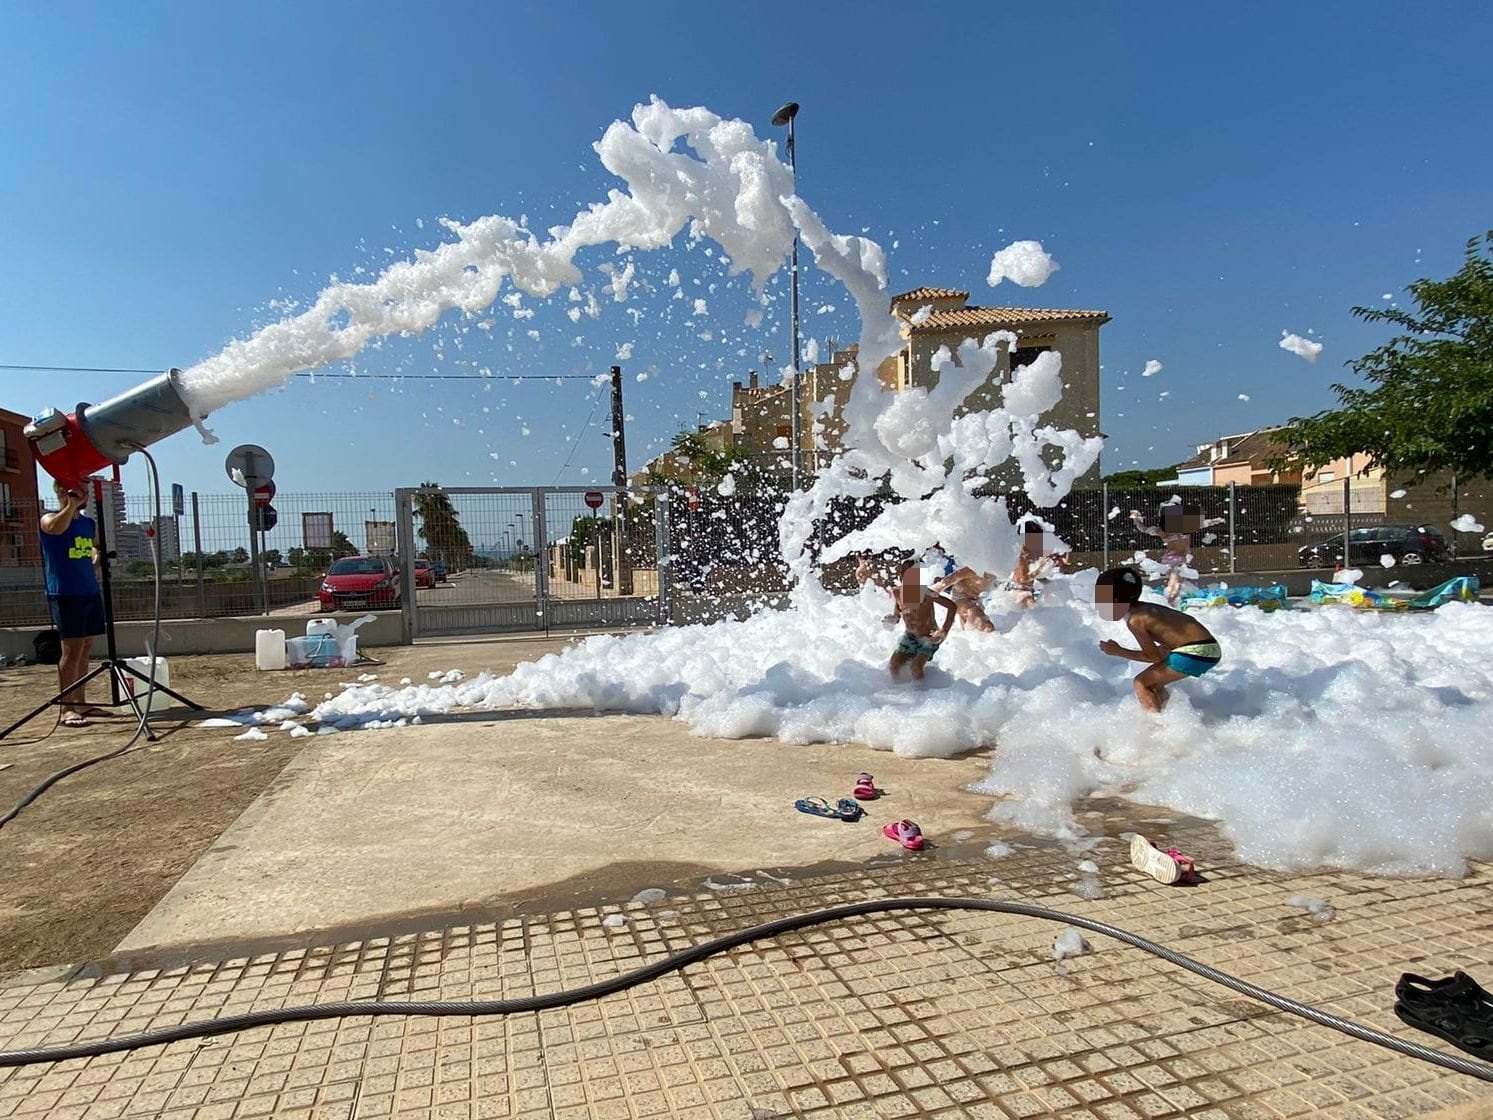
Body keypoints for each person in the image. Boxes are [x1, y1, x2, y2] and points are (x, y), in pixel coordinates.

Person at [1095, 566, 1221, 712]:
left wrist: (1118, 651)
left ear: (1115, 599)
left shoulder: (1135, 620)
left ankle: (1155, 725)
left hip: (1196, 652)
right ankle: (1166, 718)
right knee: (1153, 683)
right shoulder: (1145, 609)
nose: (1099, 605)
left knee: (1141, 682)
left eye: (1102, 598)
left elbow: (1153, 657)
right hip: (1208, 648)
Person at [39, 481, 107, 727]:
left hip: (89, 591)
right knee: (71, 649)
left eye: (84, 492)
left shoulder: (87, 524)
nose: (83, 496)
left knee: (86, 646)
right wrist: (70, 505)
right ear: (60, 492)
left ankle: (81, 701)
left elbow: (95, 546)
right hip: (66, 594)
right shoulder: (49, 519)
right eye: (77, 492)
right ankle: (66, 707)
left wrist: (96, 558)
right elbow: (56, 529)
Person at [1129, 504, 1224, 607]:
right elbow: (1144, 529)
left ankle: (1174, 603)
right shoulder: (1165, 530)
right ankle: (1169, 604)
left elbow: (1204, 523)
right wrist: (1136, 519)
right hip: (1172, 560)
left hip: (1180, 559)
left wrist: (1216, 520)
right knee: (1176, 581)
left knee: (1179, 582)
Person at [889, 556, 956, 682]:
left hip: (928, 638)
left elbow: (952, 606)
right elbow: (898, 611)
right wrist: (893, 618)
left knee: (916, 667)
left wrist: (943, 631)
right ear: (901, 576)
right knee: (894, 666)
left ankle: (921, 692)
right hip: (909, 637)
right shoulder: (898, 593)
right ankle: (897, 689)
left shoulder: (926, 593)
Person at [1007, 522, 1071, 609]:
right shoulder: (1023, 554)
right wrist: (1040, 569)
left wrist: (1050, 584)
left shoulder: (1031, 552)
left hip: (1025, 591)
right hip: (1017, 593)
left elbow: (1035, 576)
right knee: (1036, 611)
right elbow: (1023, 578)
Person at [931, 566, 995, 631]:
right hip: (961, 597)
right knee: (984, 624)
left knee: (981, 624)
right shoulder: (975, 569)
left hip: (977, 598)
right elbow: (951, 578)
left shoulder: (1001, 571)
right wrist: (937, 588)